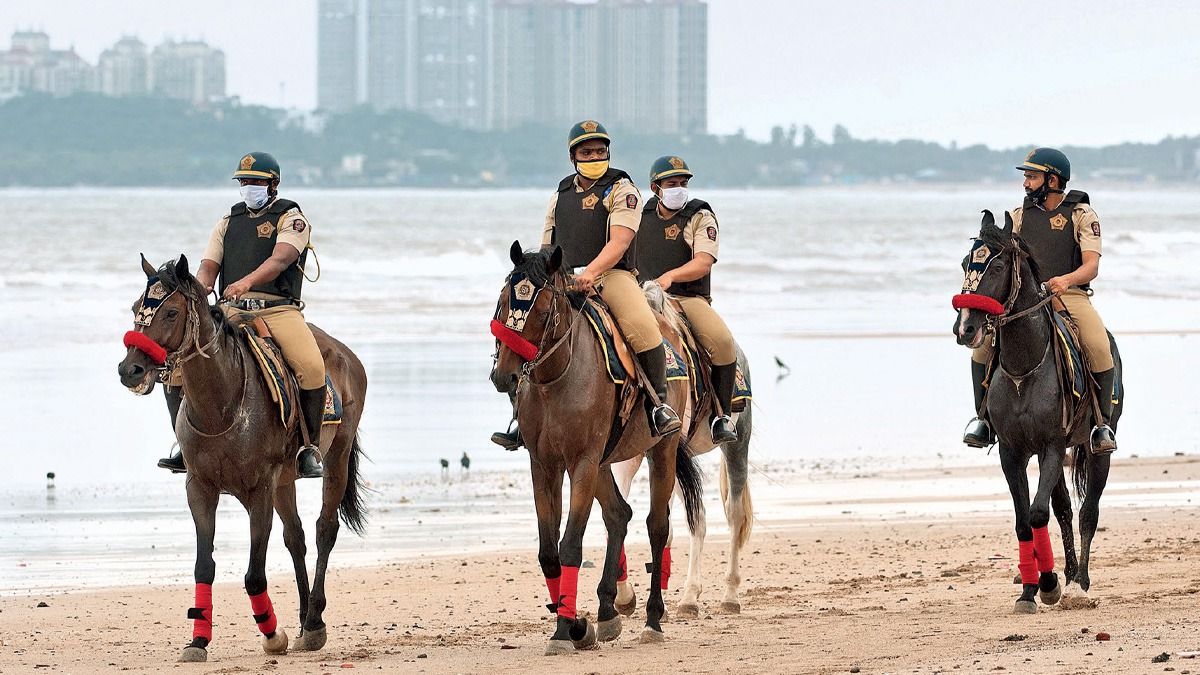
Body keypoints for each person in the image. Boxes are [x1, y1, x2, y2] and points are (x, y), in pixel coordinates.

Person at [491, 120, 682, 449]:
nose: (594, 156)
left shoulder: (622, 189)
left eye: (599, 151)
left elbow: (620, 242)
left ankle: (658, 406)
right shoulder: (559, 195)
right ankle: (520, 417)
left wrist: (590, 274)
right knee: (520, 324)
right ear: (572, 157)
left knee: (643, 326)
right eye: (586, 151)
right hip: (563, 277)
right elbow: (548, 246)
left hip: (613, 275)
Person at [157, 151, 325, 477]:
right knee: (177, 367)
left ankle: (309, 449)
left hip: (277, 309)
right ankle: (184, 444)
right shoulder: (227, 222)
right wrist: (201, 286)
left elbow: (281, 259)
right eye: (244, 181)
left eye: (256, 182)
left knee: (312, 367)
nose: (248, 187)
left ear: (272, 184)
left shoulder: (291, 218)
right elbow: (209, 266)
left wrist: (246, 281)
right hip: (230, 310)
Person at [963, 147, 1118, 453]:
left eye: (1032, 177)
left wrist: (1066, 280)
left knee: (1098, 345)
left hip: (1069, 294)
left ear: (1053, 179)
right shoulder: (1019, 217)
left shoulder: (1081, 214)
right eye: (1026, 177)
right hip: (1026, 301)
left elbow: (1092, 265)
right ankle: (983, 420)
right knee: (981, 350)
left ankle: (1101, 425)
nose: (1025, 183)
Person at [635, 155, 738, 443]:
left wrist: (670, 277)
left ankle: (721, 415)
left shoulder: (700, 216)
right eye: (672, 183)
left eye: (683, 183)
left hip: (687, 298)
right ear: (656, 188)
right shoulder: (640, 217)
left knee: (722, 341)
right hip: (644, 296)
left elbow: (704, 261)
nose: (679, 188)